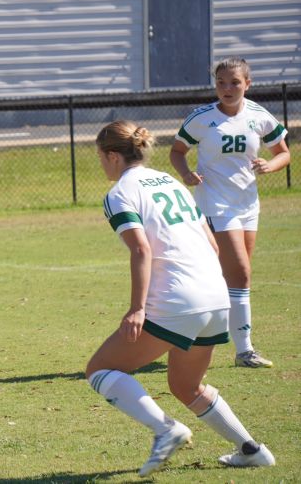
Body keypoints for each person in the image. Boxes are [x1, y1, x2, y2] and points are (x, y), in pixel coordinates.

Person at [86, 120, 275, 478]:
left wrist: (137, 308)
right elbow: (212, 243)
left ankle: (165, 430)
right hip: (216, 295)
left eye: (99, 156)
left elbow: (141, 249)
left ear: (112, 156)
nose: (101, 164)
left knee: (100, 369)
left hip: (178, 299)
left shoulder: (119, 193)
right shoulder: (170, 181)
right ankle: (252, 450)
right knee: (186, 386)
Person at [170, 57, 290, 368]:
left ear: (247, 84)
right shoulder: (202, 118)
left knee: (232, 277)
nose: (227, 88)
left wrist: (270, 164)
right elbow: (177, 151)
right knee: (241, 274)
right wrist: (186, 174)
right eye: (221, 82)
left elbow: (283, 153)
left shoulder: (259, 116)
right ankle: (244, 351)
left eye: (234, 82)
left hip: (248, 204)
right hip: (215, 204)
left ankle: (191, 329)